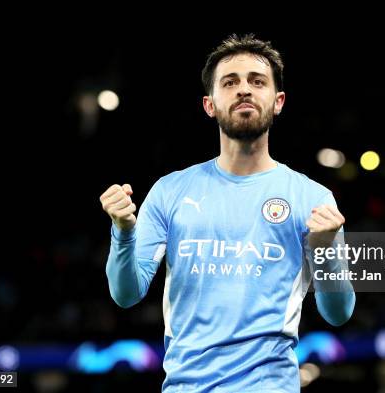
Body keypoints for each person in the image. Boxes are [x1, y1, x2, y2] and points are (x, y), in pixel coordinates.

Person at [99, 33, 355, 392]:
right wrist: (123, 232)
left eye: (257, 81)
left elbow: (338, 313)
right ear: (210, 105)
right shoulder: (170, 191)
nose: (244, 90)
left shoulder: (313, 198)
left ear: (278, 101)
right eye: (230, 82)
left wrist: (325, 249)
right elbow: (126, 294)